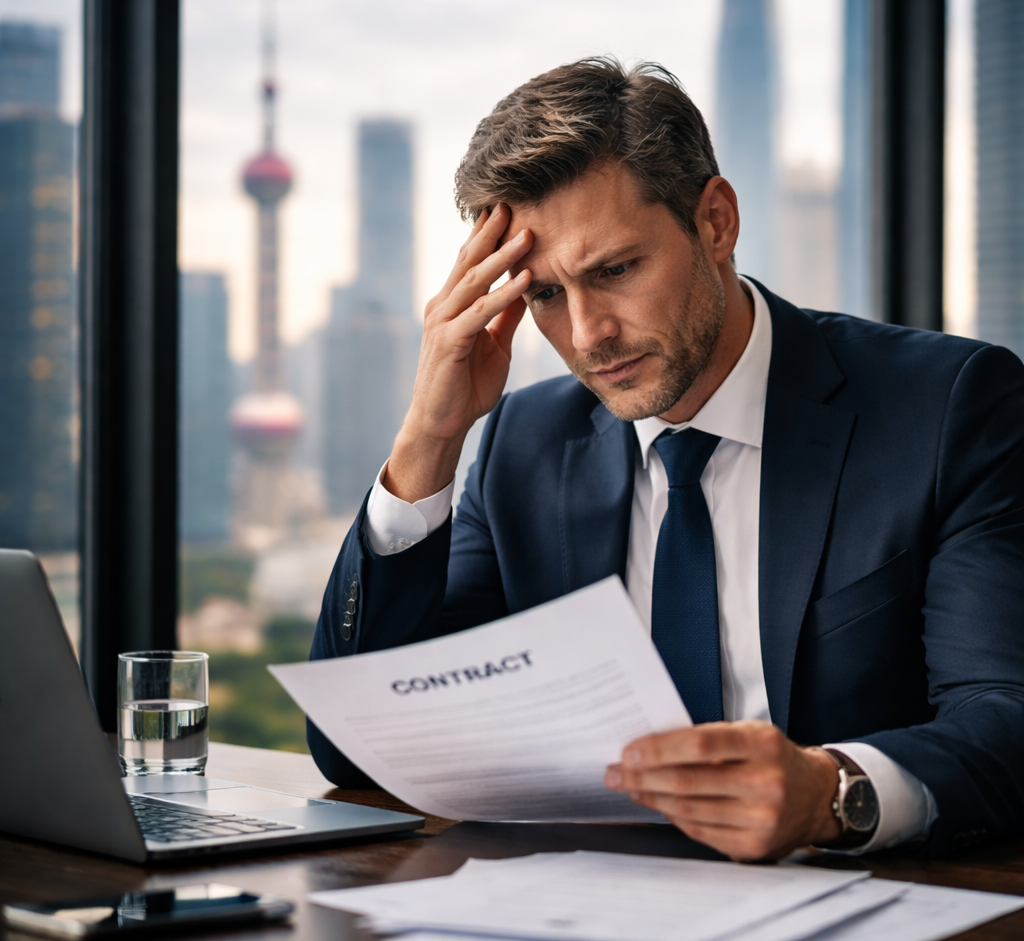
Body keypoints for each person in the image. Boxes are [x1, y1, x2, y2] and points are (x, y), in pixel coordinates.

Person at [308, 58, 1024, 860]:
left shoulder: (947, 405)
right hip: (597, 926)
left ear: (715, 220)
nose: (586, 335)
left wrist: (832, 791)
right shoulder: (523, 443)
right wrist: (429, 440)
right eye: (543, 294)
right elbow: (361, 748)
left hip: (877, 919)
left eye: (614, 271)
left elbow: (1005, 714)